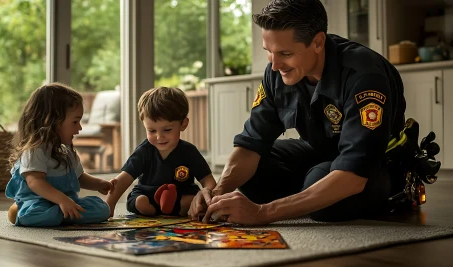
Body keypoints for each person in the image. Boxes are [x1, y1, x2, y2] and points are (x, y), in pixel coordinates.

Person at [189, 0, 406, 225]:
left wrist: (262, 212)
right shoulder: (277, 71)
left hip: (372, 167)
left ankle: (312, 194)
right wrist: (216, 192)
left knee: (323, 196)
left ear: (318, 42)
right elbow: (251, 143)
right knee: (255, 173)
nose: (274, 65)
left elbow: (354, 173)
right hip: (321, 153)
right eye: (269, 52)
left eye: (285, 53)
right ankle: (309, 195)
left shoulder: (363, 75)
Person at [6, 83, 112, 227]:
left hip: (66, 202)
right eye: (75, 121)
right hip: (38, 202)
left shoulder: (66, 151)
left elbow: (79, 177)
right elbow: (35, 181)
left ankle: (62, 215)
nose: (79, 128)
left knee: (102, 209)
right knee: (36, 213)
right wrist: (62, 200)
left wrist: (99, 184)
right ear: (52, 120)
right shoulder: (35, 150)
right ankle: (23, 211)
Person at [106, 87, 216, 217]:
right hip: (147, 195)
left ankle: (175, 207)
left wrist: (208, 195)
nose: (159, 137)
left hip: (180, 194)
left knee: (191, 200)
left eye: (167, 130)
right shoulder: (144, 151)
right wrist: (109, 206)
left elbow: (208, 180)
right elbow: (124, 179)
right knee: (137, 200)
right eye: (152, 131)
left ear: (183, 124)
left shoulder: (189, 151)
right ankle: (151, 209)